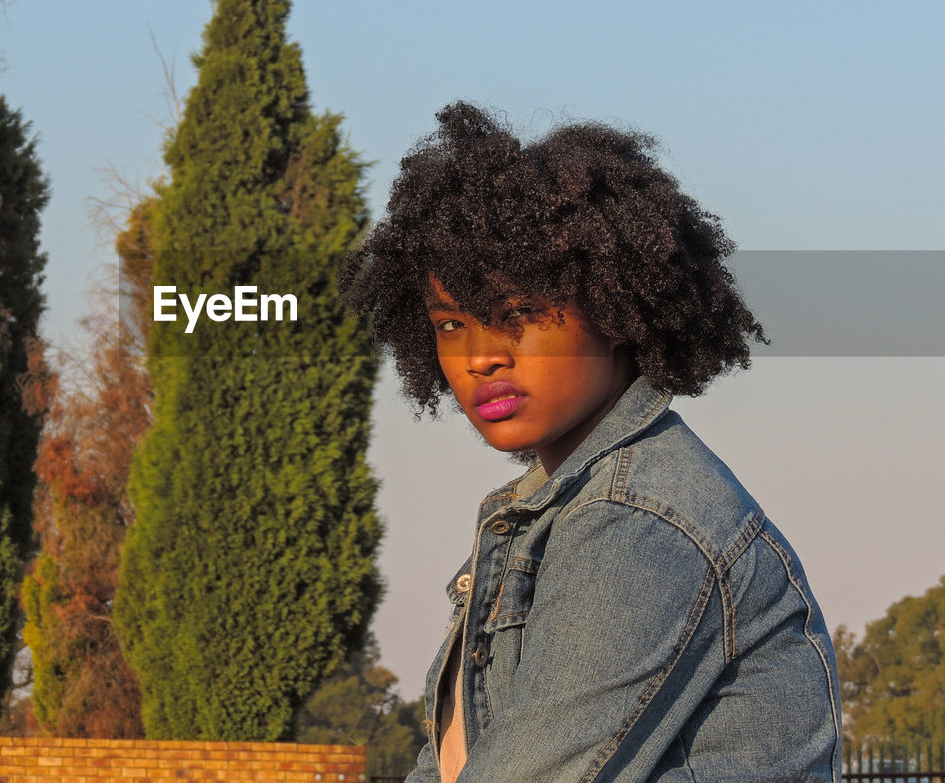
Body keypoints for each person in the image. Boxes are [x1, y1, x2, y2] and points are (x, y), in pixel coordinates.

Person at [341, 102, 842, 782]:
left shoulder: (639, 521)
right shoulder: (549, 517)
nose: (480, 357)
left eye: (515, 314)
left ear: (613, 308)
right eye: (452, 324)